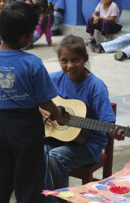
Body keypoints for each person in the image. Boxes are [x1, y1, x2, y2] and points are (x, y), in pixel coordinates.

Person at [0, 2, 62, 203]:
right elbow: (45, 101)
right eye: (31, 32)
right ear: (25, 36)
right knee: (29, 180)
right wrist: (57, 113)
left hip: (1, 124)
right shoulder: (32, 63)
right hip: (27, 127)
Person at [42, 35, 117, 203]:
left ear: (85, 59)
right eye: (64, 60)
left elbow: (108, 123)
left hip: (88, 146)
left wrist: (115, 132)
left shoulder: (96, 86)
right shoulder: (55, 79)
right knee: (31, 149)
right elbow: (35, 97)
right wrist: (41, 110)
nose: (69, 66)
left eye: (75, 60)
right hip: (58, 139)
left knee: (53, 157)